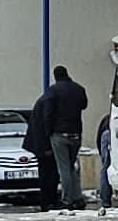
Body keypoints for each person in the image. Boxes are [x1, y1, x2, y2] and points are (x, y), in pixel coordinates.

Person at [30, 63, 88, 211]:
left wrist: (49, 132)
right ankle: (78, 197)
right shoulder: (78, 89)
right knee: (73, 166)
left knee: (64, 168)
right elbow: (84, 105)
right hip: (76, 133)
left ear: (55, 76)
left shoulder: (53, 91)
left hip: (59, 134)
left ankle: (67, 199)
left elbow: (48, 114)